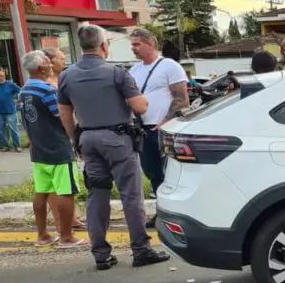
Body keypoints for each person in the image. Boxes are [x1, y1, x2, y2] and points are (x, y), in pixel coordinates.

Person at [57, 23, 169, 270]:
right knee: (131, 195)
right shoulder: (117, 73)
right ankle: (141, 250)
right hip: (118, 140)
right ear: (104, 46)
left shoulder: (66, 75)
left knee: (97, 195)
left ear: (81, 46)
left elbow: (65, 113)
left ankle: (101, 255)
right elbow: (140, 107)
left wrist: (76, 139)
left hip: (87, 139)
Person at [19, 51, 86, 249]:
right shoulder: (47, 90)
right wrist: (76, 137)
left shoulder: (25, 90)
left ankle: (42, 235)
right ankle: (66, 237)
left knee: (41, 192)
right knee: (66, 192)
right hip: (57, 148)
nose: (50, 66)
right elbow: (62, 116)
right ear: (40, 68)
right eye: (48, 63)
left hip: (38, 150)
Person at [129, 28, 189, 228]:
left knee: (169, 173)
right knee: (153, 173)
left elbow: (181, 98)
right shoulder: (135, 70)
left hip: (165, 129)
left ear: (150, 44)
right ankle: (161, 212)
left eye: (137, 44)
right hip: (143, 129)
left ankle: (178, 214)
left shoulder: (169, 66)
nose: (133, 48)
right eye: (132, 44)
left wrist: (165, 121)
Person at [0, 68, 21, 152]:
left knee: (13, 129)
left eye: (2, 76)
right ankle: (5, 146)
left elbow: (21, 91)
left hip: (10, 111)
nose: (1, 77)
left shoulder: (10, 84)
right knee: (0, 129)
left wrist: (18, 100)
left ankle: (17, 146)